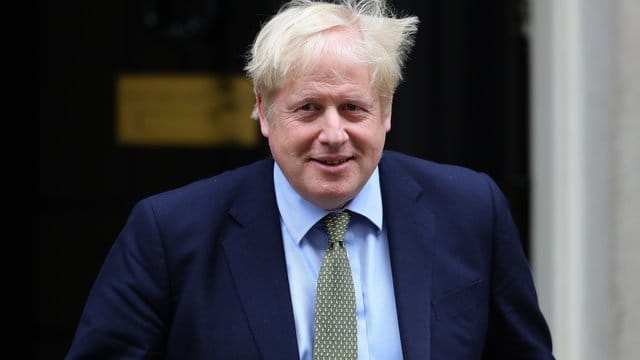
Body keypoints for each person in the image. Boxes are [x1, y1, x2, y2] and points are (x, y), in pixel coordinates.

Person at [66, 0, 554, 359]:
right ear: (263, 112)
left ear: (385, 111)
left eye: (353, 108)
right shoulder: (171, 232)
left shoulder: (470, 210)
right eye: (308, 109)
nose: (334, 134)